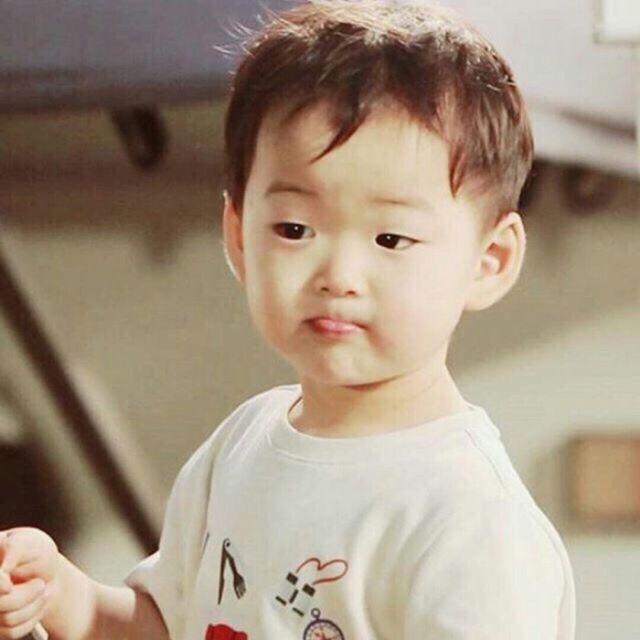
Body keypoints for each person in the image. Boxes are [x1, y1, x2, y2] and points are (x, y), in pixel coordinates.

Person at [0, 1, 576, 638]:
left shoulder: (470, 523)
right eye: (294, 229)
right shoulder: (242, 442)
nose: (338, 274)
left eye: (390, 238)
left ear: (490, 261)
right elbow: (168, 624)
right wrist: (63, 595)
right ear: (239, 237)